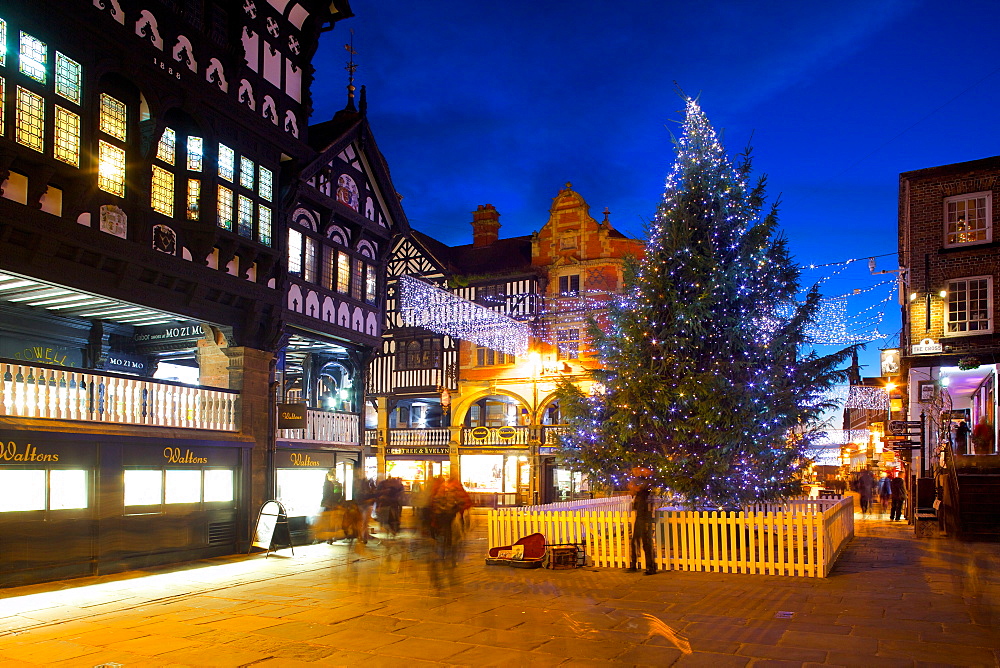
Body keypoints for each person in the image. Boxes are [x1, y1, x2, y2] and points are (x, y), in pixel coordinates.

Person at [626, 467, 656, 575]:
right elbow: (635, 491)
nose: (635, 473)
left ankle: (650, 567)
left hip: (644, 516)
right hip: (639, 515)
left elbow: (639, 489)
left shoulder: (648, 485)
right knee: (634, 541)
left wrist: (633, 487)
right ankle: (633, 565)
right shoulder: (641, 483)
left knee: (646, 542)